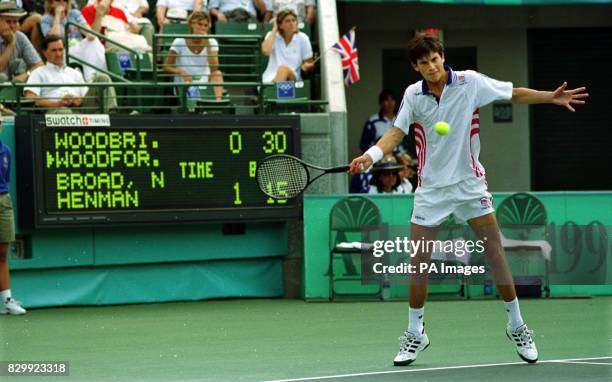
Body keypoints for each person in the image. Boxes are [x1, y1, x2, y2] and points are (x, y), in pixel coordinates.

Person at [348, 33, 588, 366]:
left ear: (442, 56)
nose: (431, 67)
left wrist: (550, 97)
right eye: (424, 63)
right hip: (431, 190)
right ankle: (415, 333)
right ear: (415, 67)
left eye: (435, 59)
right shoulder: (412, 96)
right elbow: (395, 133)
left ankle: (517, 325)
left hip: (469, 185)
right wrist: (370, 156)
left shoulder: (469, 83)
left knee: (495, 253)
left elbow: (512, 93)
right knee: (419, 261)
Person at [24, 34, 117, 112]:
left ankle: (113, 116)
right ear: (44, 53)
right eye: (54, 50)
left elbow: (84, 95)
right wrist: (57, 104)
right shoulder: (38, 72)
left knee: (103, 78)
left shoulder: (75, 72)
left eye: (60, 50)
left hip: (82, 108)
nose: (58, 54)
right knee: (63, 111)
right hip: (55, 110)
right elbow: (30, 97)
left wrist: (78, 100)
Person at [39, 0, 107, 81]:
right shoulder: (46, 19)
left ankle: (92, 79)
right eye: (58, 0)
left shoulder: (74, 14)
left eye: (65, 0)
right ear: (51, 3)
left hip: (79, 48)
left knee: (93, 42)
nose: (62, 2)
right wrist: (57, 16)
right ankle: (94, 80)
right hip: (62, 51)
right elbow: (53, 39)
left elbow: (91, 35)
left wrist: (98, 15)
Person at [163, 10, 223, 100]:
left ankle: (217, 104)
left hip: (204, 82)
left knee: (217, 74)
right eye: (200, 24)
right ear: (191, 24)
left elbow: (214, 69)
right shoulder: (179, 41)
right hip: (185, 82)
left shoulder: (212, 42)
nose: (203, 28)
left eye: (206, 25)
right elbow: (166, 67)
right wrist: (181, 72)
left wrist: (207, 44)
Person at [0, 118, 26, 315]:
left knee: (2, 253)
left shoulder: (6, 151)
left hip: (4, 201)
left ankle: (7, 301)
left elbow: (6, 179)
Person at [261, 9, 313, 83]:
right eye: (287, 21)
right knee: (281, 71)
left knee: (283, 69)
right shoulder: (272, 35)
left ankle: (271, 91)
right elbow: (265, 51)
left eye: (294, 20)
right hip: (270, 76)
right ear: (280, 25)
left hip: (293, 76)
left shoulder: (303, 38)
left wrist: (307, 66)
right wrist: (274, 29)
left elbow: (309, 62)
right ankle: (272, 90)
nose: (292, 23)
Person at [82, 0, 153, 49]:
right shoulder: (87, 11)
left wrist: (133, 30)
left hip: (123, 45)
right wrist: (99, 15)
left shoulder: (119, 12)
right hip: (104, 48)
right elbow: (93, 37)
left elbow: (129, 33)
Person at [0, 2, 42, 82]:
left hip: (13, 87)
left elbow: (38, 65)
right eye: (8, 21)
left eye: (15, 22)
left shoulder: (20, 36)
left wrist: (27, 74)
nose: (12, 26)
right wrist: (11, 43)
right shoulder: (15, 38)